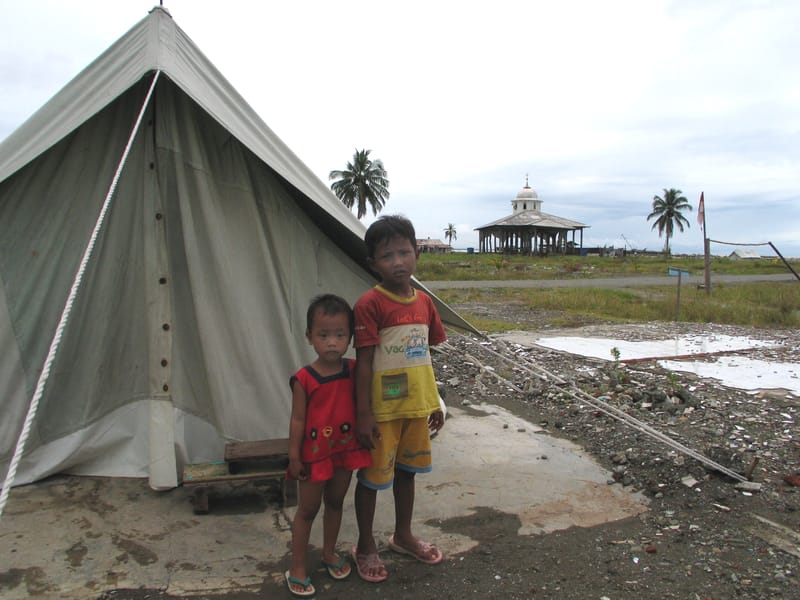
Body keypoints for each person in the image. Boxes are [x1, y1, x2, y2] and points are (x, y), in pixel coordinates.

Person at [351, 215, 447, 583]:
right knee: (372, 478)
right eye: (387, 255)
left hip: (417, 407)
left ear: (417, 254)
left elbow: (424, 356)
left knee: (408, 472)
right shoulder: (369, 304)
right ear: (372, 263)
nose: (398, 262)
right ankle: (365, 545)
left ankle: (403, 536)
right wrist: (364, 414)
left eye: (404, 252)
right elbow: (363, 362)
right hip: (384, 411)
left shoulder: (425, 303)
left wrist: (435, 401)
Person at [285, 294, 372, 597]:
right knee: (307, 510)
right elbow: (297, 420)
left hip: (344, 452)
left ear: (350, 337)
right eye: (323, 335)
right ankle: (297, 567)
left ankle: (329, 553)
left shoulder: (354, 370)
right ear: (309, 337)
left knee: (335, 502)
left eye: (340, 335)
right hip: (314, 456)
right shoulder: (304, 379)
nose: (332, 342)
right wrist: (294, 456)